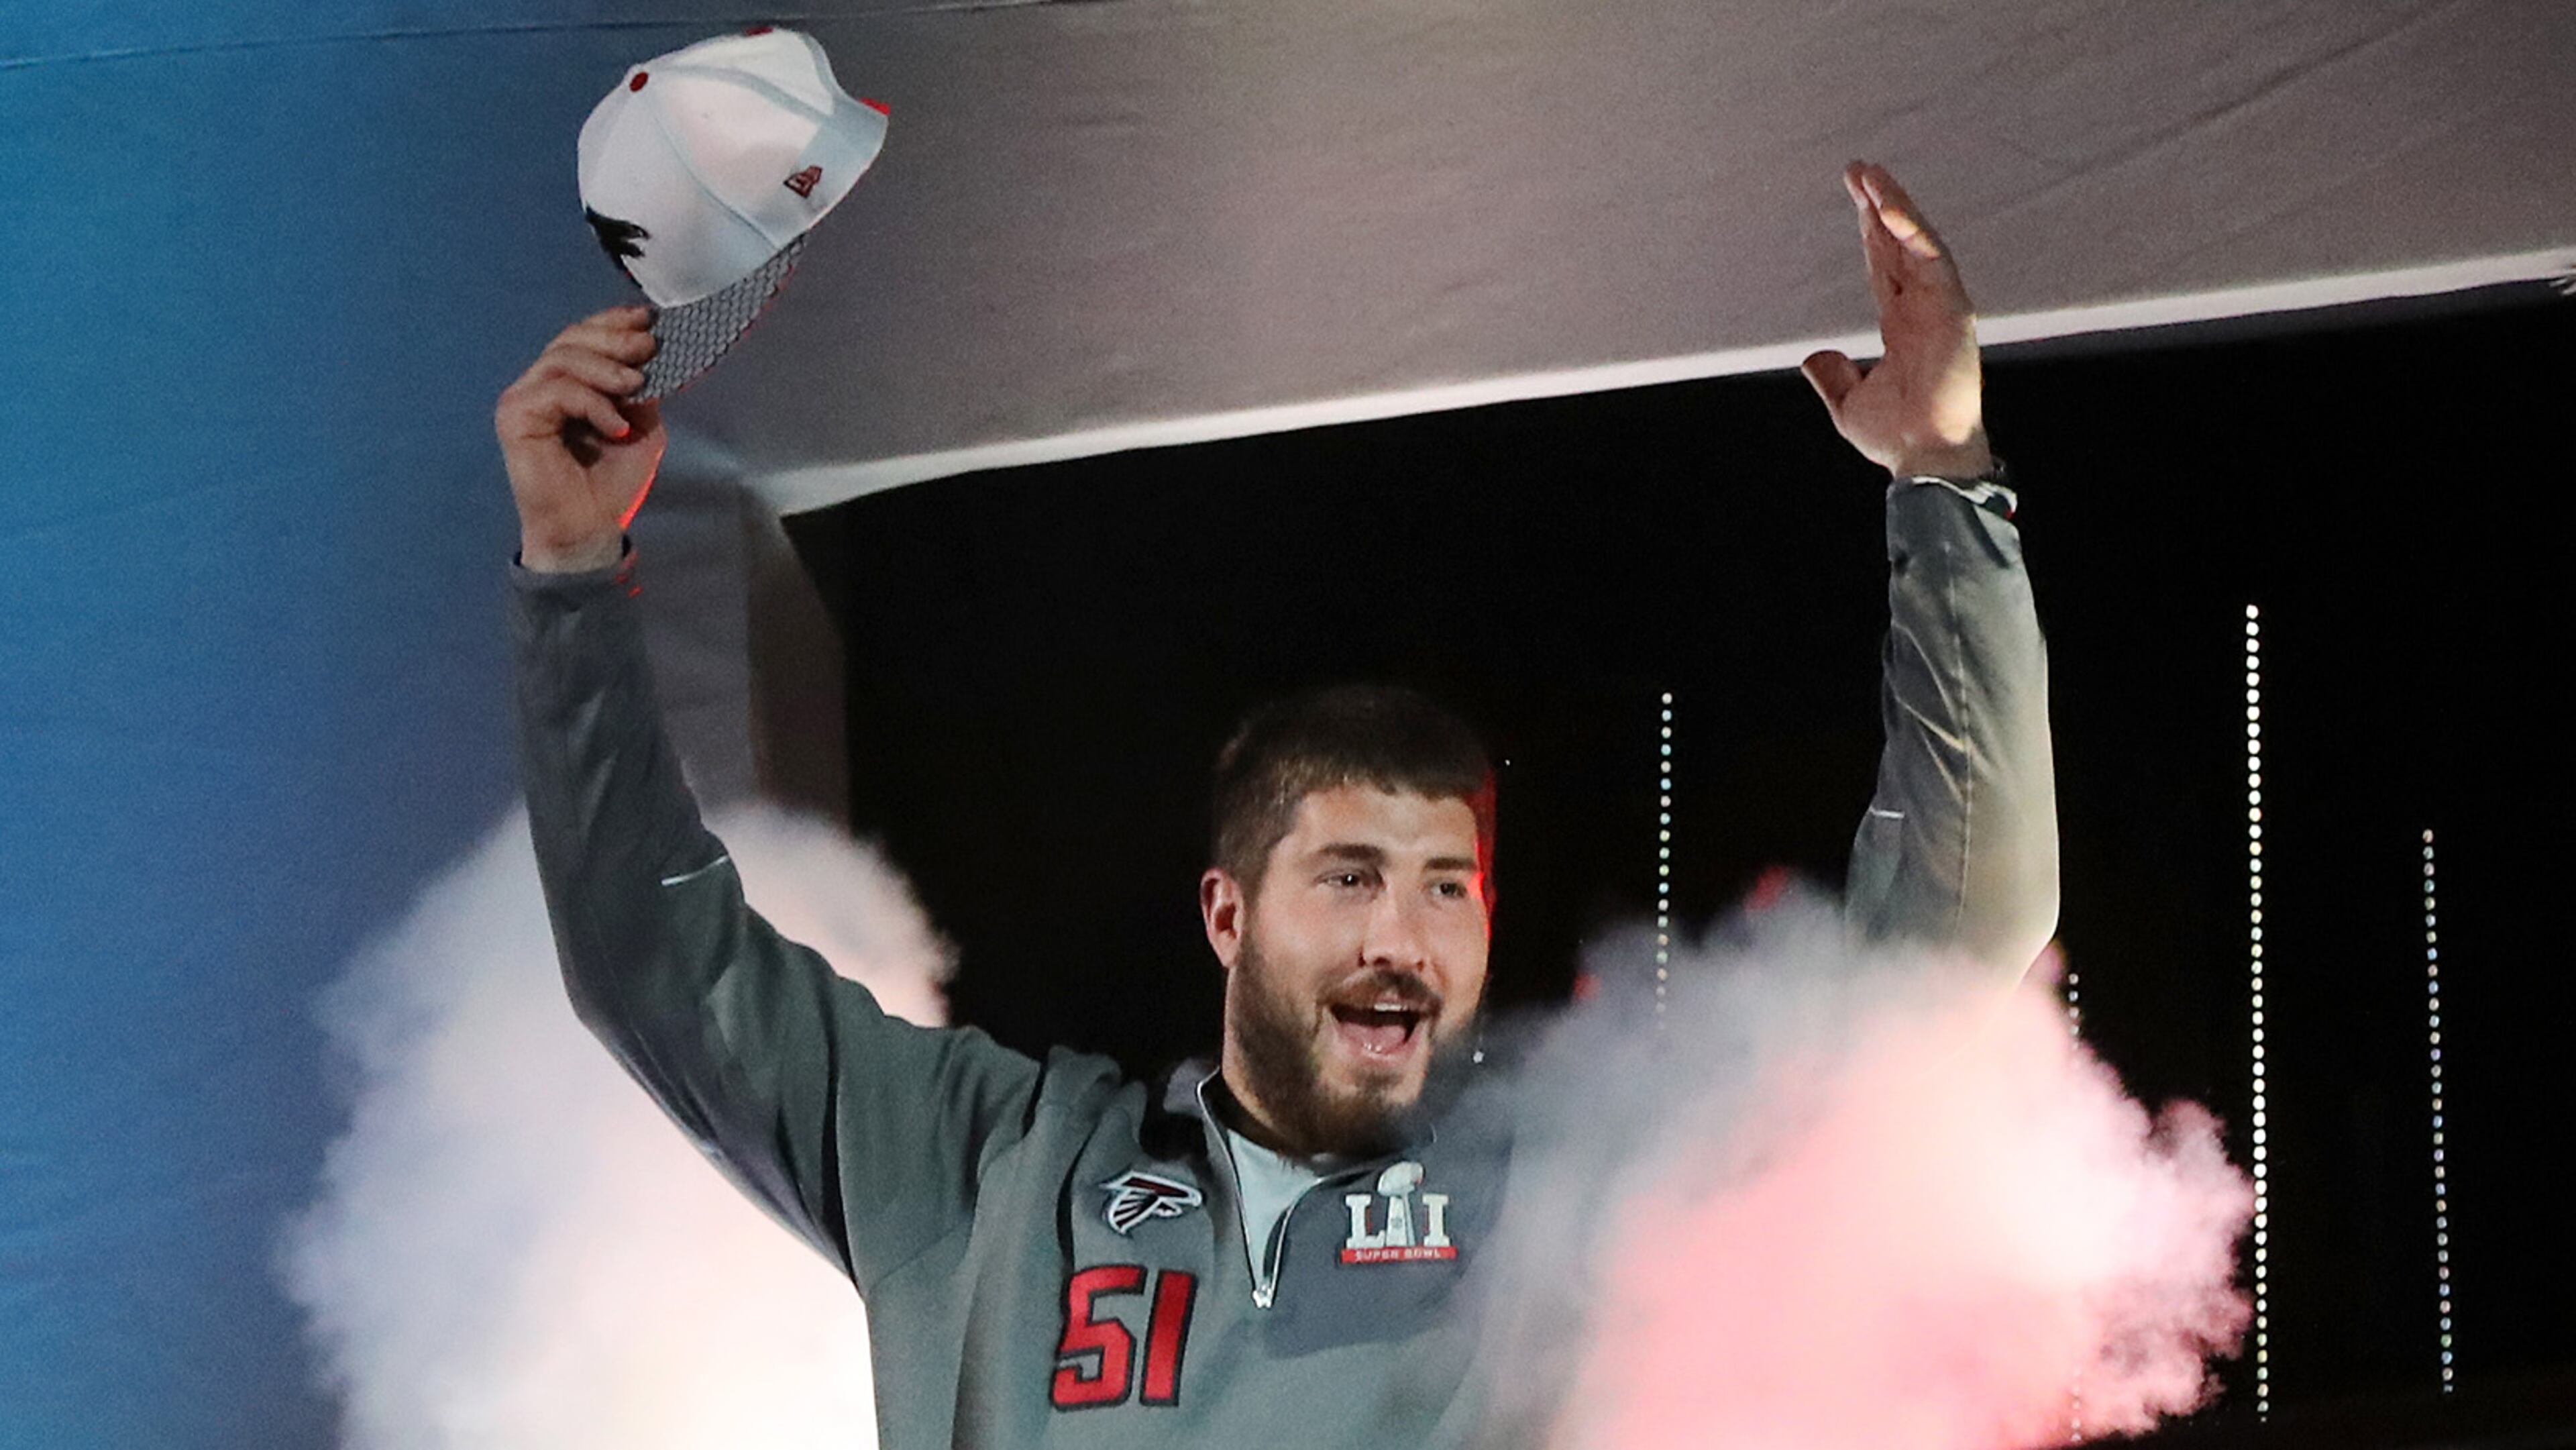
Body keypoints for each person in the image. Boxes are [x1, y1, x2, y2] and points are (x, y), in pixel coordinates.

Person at [495, 160, 2057, 1448]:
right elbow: (659, 967)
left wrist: (1948, 483)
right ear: (1226, 913)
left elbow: (1939, 960)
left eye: (1449, 884)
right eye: (1355, 876)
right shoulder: (991, 1171)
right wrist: (573, 577)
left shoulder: (1573, 1190)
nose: (1406, 937)